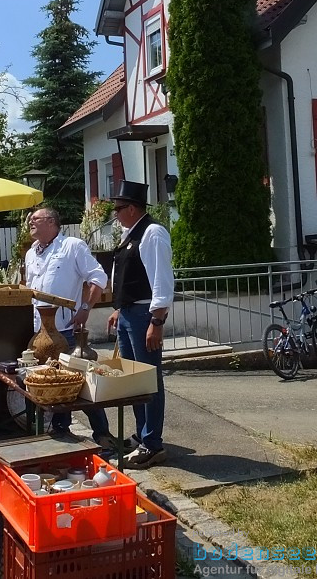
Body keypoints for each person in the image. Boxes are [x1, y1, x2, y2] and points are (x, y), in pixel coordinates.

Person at [24, 205, 112, 445]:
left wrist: (85, 308)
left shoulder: (72, 246)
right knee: (50, 384)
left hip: (65, 332)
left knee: (81, 385)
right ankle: (60, 429)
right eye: (30, 219)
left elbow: (98, 277)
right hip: (39, 332)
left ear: (52, 222)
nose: (30, 222)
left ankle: (102, 434)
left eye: (36, 219)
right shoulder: (31, 253)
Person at [107, 181, 173, 467]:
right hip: (129, 313)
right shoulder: (129, 233)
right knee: (134, 379)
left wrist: (156, 321)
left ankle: (153, 443)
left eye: (119, 208)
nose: (115, 214)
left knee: (148, 379)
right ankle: (142, 434)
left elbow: (161, 280)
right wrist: (119, 309)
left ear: (132, 208)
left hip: (145, 314)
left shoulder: (152, 233)